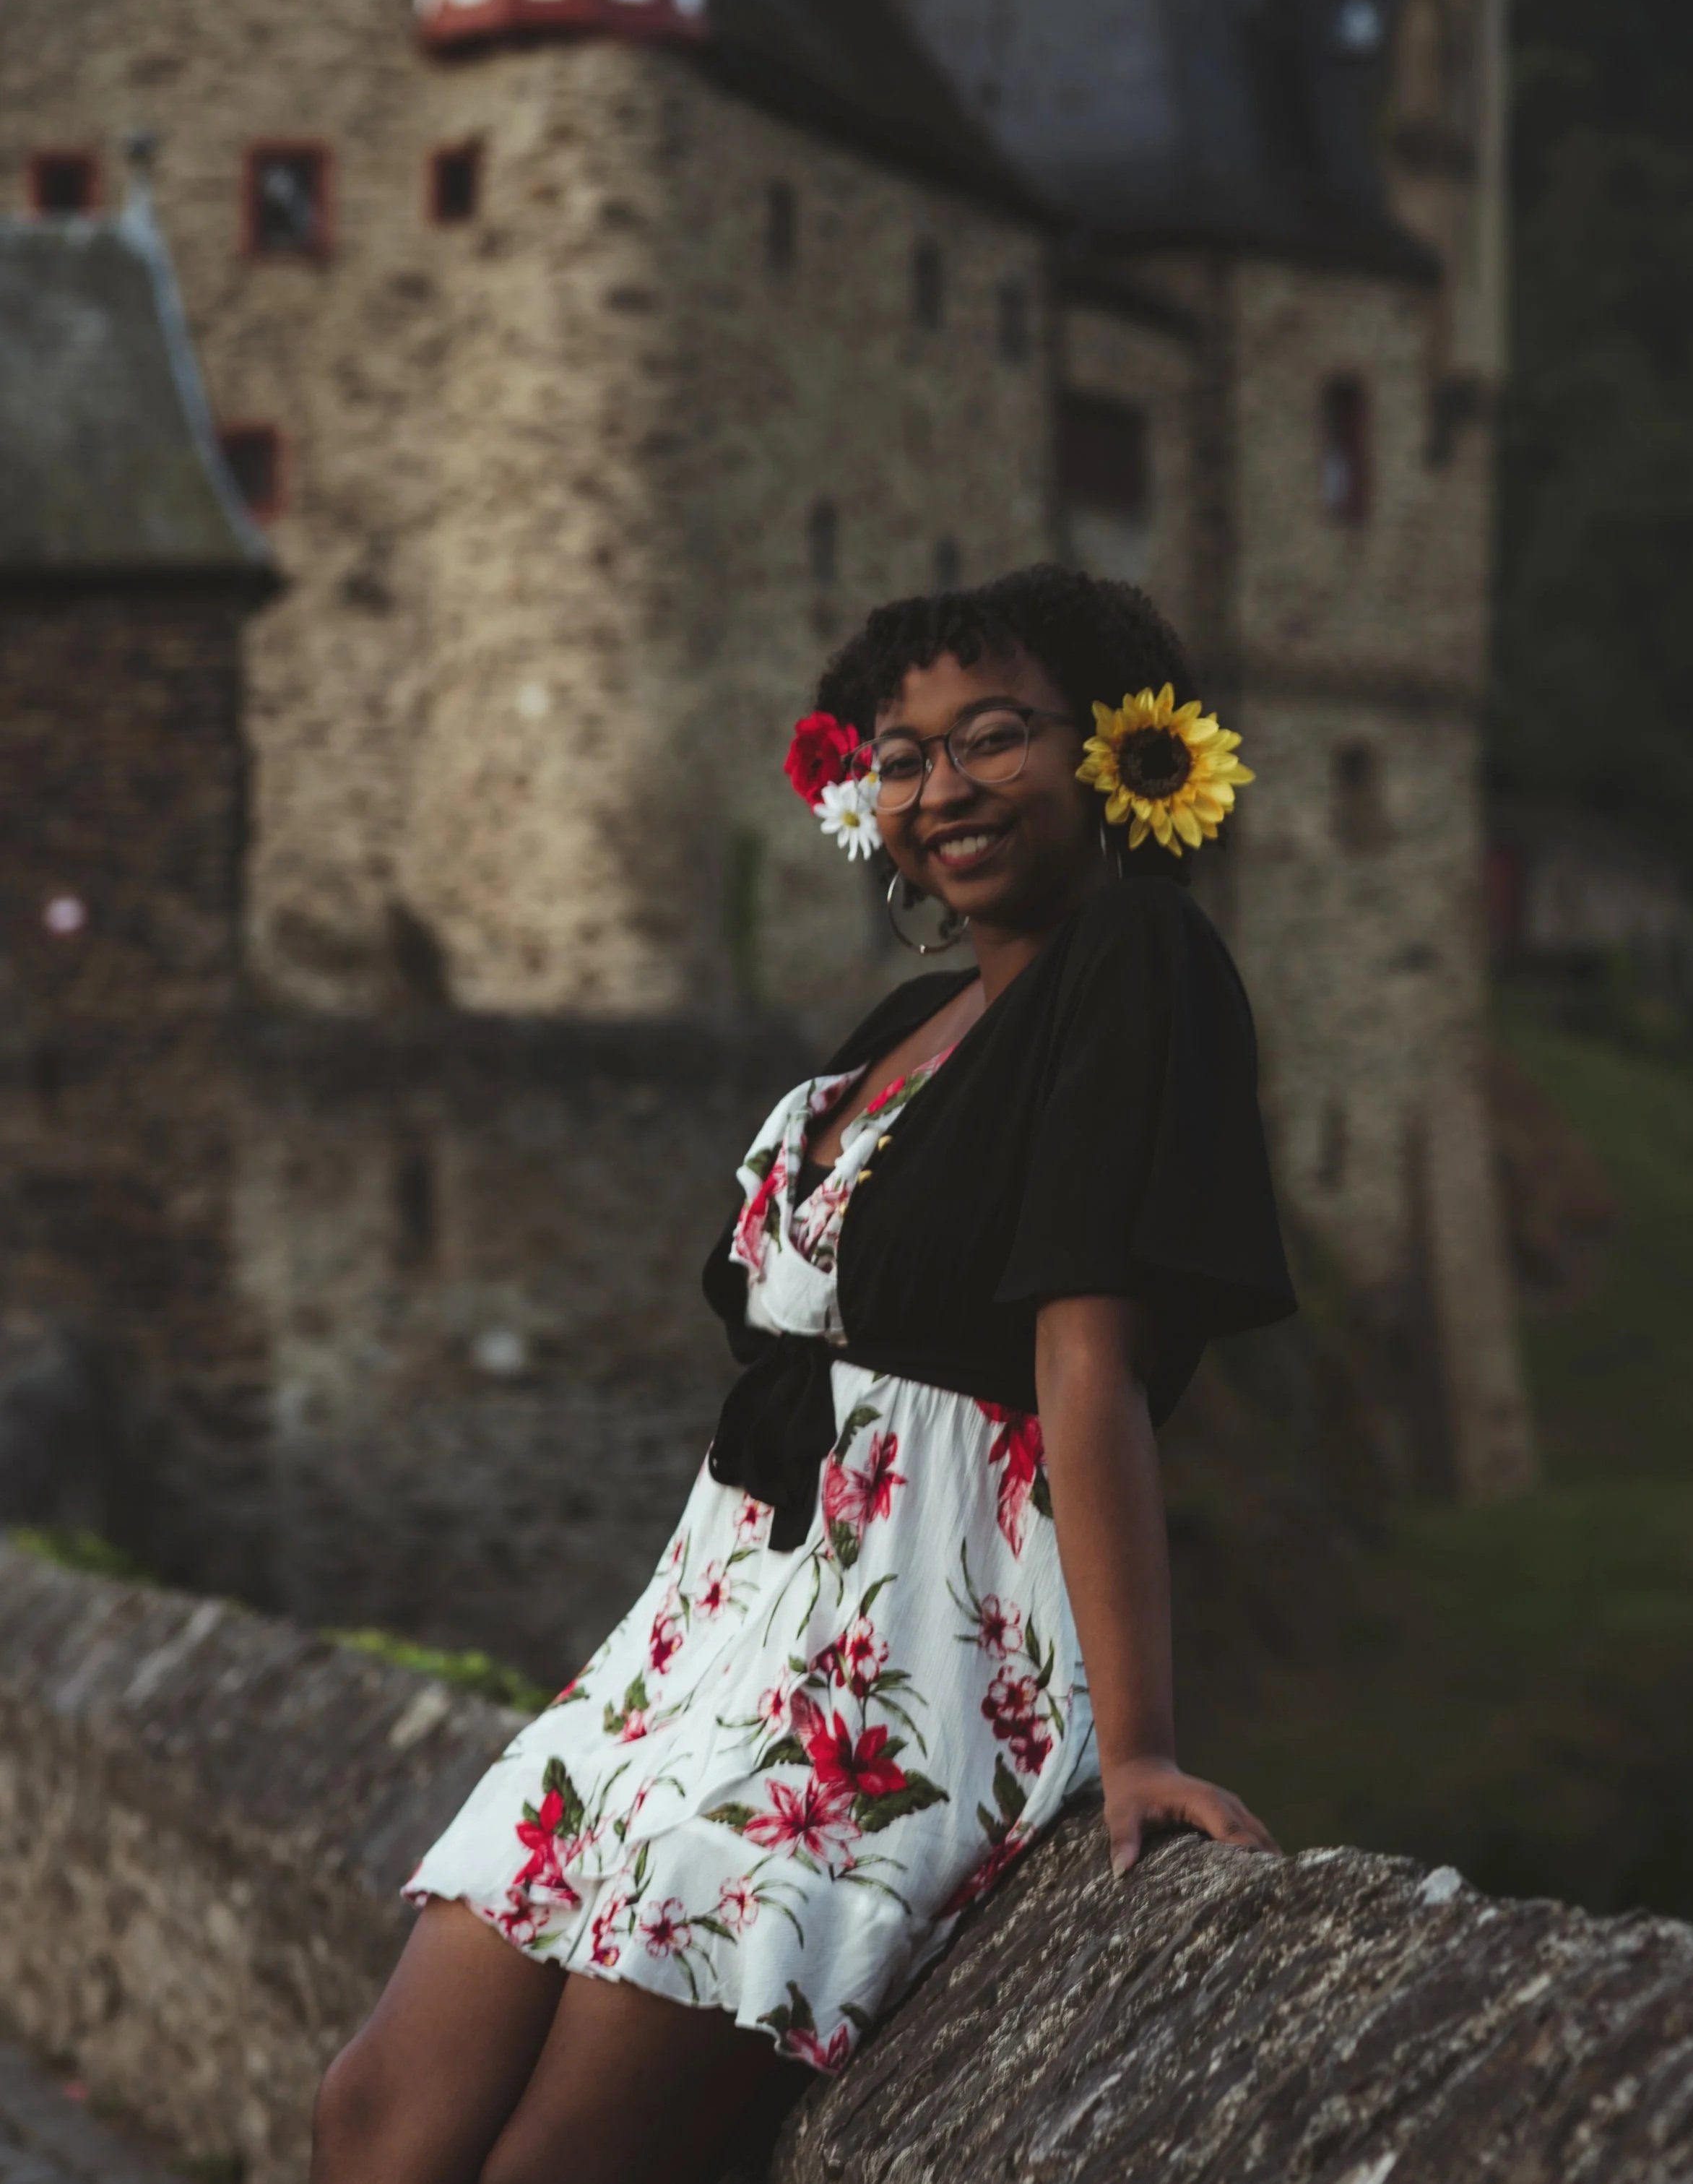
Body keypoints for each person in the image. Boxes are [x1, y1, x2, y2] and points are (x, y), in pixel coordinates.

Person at [311, 566, 1296, 2184]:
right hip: (700, 1641)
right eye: (901, 759)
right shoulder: (916, 1014)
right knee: (374, 2111)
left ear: (1116, 745)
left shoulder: (1135, 957)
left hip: (899, 1654)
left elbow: (1083, 1356)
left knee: (559, 2164)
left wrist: (1136, 1747)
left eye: (992, 737)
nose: (943, 789)